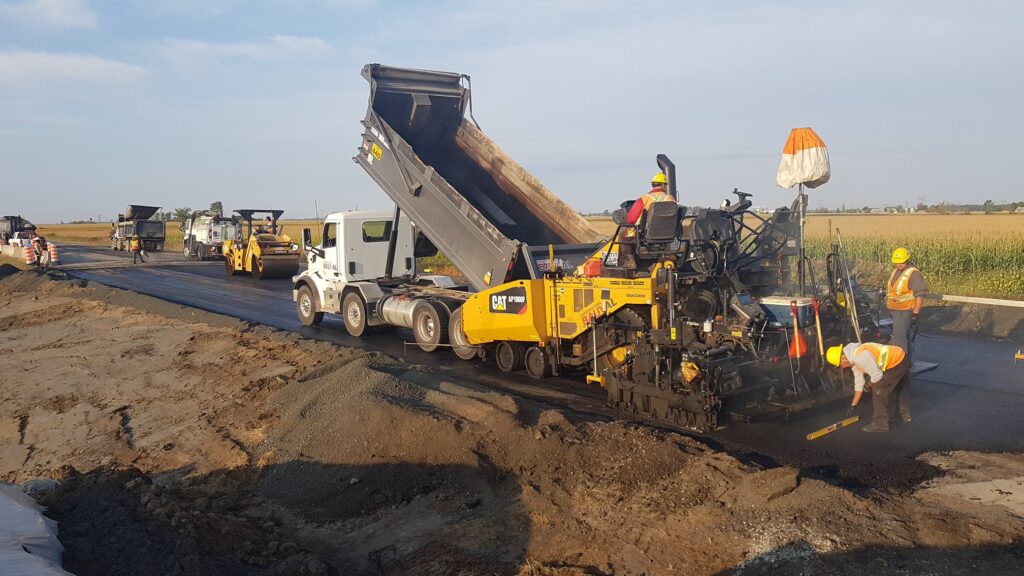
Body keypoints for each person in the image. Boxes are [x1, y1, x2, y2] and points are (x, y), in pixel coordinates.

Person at [827, 341, 911, 433]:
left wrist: (869, 384)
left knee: (878, 391)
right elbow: (859, 383)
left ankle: (880, 425)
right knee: (899, 386)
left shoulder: (860, 357)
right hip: (901, 357)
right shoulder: (854, 358)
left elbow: (877, 376)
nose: (842, 367)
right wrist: (853, 404)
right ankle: (905, 415)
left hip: (897, 362)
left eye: (840, 365)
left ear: (843, 358)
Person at [618, 172, 676, 268]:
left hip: (645, 234)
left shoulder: (644, 199)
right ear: (664, 185)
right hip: (668, 235)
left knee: (622, 236)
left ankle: (630, 260)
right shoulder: (671, 199)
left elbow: (631, 219)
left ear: (653, 185)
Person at [887, 247, 928, 357]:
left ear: (907, 260)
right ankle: (906, 362)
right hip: (896, 310)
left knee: (900, 341)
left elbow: (920, 294)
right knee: (902, 338)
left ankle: (901, 362)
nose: (898, 264)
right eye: (896, 262)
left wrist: (916, 313)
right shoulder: (897, 271)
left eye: (901, 262)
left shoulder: (913, 274)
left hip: (904, 311)